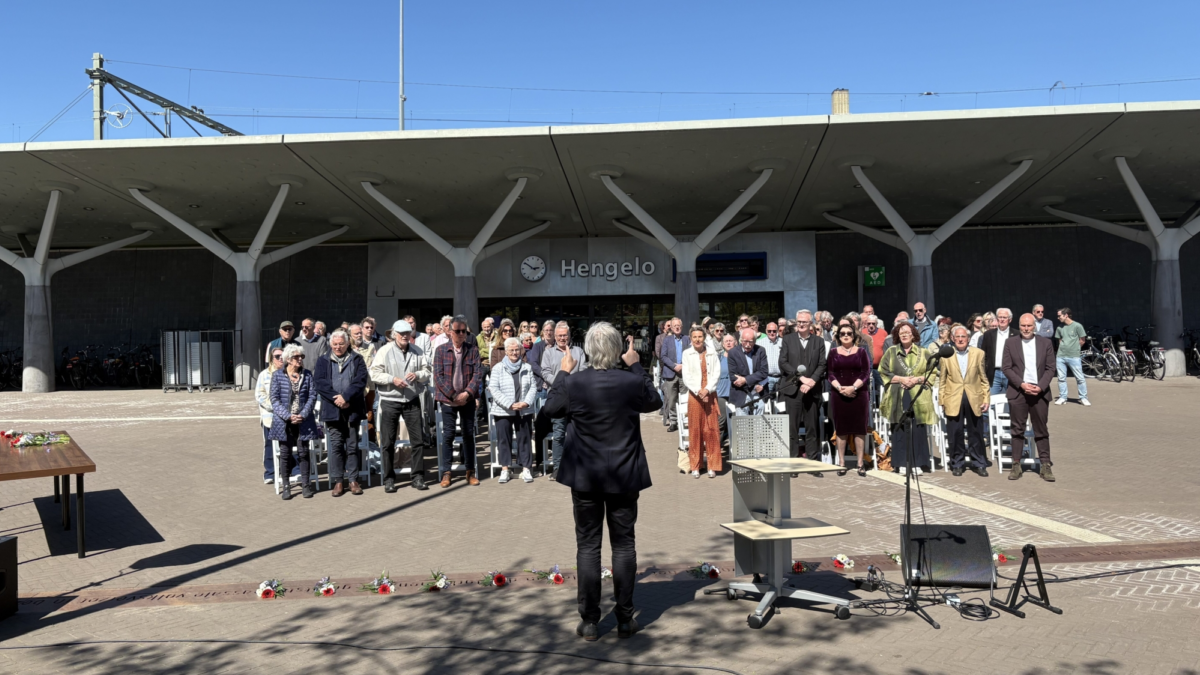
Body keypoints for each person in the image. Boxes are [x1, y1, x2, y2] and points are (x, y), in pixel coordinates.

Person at [543, 322, 659, 642]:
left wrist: (564, 373)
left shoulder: (575, 382)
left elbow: (550, 408)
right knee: (624, 545)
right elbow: (654, 400)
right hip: (624, 475)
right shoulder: (630, 381)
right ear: (618, 349)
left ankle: (591, 621)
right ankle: (624, 618)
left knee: (588, 546)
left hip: (586, 476)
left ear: (589, 350)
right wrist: (635, 365)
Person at [370, 320, 432, 492]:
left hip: (411, 399)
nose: (405, 336)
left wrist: (418, 374)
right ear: (394, 334)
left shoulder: (418, 351)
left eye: (408, 333)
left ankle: (418, 477)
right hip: (390, 400)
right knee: (388, 441)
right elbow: (374, 373)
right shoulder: (384, 351)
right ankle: (389, 478)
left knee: (418, 440)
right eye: (402, 333)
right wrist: (392, 379)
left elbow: (427, 371)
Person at [313, 330, 368, 497]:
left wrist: (346, 397)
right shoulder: (323, 360)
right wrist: (336, 398)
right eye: (335, 344)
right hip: (332, 409)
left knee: (352, 446)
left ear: (347, 344)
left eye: (341, 344)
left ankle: (353, 480)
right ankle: (337, 481)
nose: (338, 347)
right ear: (331, 344)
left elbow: (360, 380)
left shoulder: (357, 359)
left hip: (352, 408)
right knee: (336, 446)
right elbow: (320, 382)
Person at [1003, 313, 1057, 482]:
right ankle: (1016, 465)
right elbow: (1006, 368)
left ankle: (1045, 465)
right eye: (1023, 326)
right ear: (1019, 326)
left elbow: (1050, 368)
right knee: (1017, 430)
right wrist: (1022, 384)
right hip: (1019, 392)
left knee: (1041, 430)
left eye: (1029, 326)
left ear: (1035, 327)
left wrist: (1040, 386)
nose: (1026, 329)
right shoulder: (1010, 343)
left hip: (1039, 393)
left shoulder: (1045, 343)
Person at [432, 315, 483, 488]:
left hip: (467, 400)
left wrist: (467, 393)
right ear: (450, 332)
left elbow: (477, 374)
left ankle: (470, 471)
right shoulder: (440, 350)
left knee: (469, 435)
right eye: (458, 331)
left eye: (464, 331)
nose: (461, 334)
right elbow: (438, 377)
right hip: (448, 401)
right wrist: (454, 395)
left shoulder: (473, 350)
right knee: (448, 435)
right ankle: (446, 472)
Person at [879, 321, 937, 475]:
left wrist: (916, 380)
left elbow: (932, 372)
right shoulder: (891, 352)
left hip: (918, 395)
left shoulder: (924, 352)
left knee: (917, 428)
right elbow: (883, 372)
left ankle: (917, 462)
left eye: (907, 331)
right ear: (897, 335)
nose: (904, 334)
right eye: (901, 332)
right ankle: (902, 463)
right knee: (899, 427)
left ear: (913, 335)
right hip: (897, 394)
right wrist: (901, 379)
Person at [939, 324, 990, 477]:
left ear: (968, 339)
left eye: (963, 337)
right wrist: (942, 400)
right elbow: (942, 380)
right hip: (953, 398)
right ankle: (957, 463)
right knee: (956, 433)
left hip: (974, 397)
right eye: (958, 337)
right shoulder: (946, 354)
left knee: (976, 432)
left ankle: (979, 463)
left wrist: (986, 398)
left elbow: (983, 378)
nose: (961, 339)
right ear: (953, 339)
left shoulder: (978, 353)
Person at [269, 344, 319, 500]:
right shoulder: (278, 375)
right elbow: (274, 399)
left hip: (303, 421)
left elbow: (312, 396)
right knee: (285, 454)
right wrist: (288, 416)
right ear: (288, 359)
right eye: (297, 357)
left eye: (301, 357)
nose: (300, 360)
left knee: (304, 452)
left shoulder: (308, 375)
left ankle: (306, 485)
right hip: (285, 422)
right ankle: (286, 487)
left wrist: (302, 415)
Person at [779, 310, 828, 466]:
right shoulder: (787, 340)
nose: (800, 324)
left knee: (812, 428)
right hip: (792, 390)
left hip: (812, 390)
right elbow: (783, 363)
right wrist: (801, 378)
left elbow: (822, 364)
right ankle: (792, 462)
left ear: (810, 324)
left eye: (804, 322)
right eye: (798, 321)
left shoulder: (818, 342)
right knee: (792, 429)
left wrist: (812, 381)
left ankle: (812, 463)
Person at [541, 321, 588, 479]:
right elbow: (545, 373)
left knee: (577, 433)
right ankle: (558, 467)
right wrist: (561, 381)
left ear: (569, 336)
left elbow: (583, 370)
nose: (562, 338)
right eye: (559, 335)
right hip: (558, 399)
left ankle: (578, 466)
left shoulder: (579, 351)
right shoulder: (548, 353)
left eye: (565, 335)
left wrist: (572, 383)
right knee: (559, 434)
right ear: (554, 336)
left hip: (576, 398)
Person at [489, 336, 538, 484]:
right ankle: (505, 469)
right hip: (503, 410)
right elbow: (493, 388)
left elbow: (533, 387)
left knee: (524, 438)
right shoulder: (498, 368)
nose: (515, 352)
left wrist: (526, 402)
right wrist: (509, 404)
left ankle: (526, 469)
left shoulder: (527, 367)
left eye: (517, 349)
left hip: (523, 409)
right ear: (506, 351)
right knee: (504, 439)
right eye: (511, 350)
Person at [828, 320, 871, 476]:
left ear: (854, 336)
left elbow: (866, 373)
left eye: (849, 333)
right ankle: (841, 463)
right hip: (838, 394)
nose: (846, 336)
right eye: (842, 334)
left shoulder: (861, 352)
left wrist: (853, 388)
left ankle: (860, 463)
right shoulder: (833, 352)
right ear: (839, 336)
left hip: (859, 393)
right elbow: (830, 373)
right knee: (841, 429)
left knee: (860, 429)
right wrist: (841, 389)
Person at [682, 326, 721, 478]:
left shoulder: (712, 353)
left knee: (711, 430)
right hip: (694, 395)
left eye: (700, 337)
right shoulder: (687, 353)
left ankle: (712, 465)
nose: (697, 340)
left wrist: (707, 390)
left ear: (704, 337)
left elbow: (716, 373)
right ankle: (696, 466)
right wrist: (699, 391)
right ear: (691, 339)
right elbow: (686, 376)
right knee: (696, 430)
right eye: (694, 337)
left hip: (710, 393)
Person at [256, 346, 291, 485]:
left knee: (289, 443)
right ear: (271, 359)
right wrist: (276, 407)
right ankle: (270, 472)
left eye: (283, 356)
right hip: (270, 417)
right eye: (277, 356)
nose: (280, 359)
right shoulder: (264, 375)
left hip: (288, 416)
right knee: (270, 445)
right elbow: (260, 395)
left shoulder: (290, 373)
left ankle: (291, 470)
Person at [726, 328, 768, 414]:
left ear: (755, 341)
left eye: (751, 342)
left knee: (759, 419)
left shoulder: (760, 351)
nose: (747, 345)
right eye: (744, 341)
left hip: (757, 391)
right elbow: (733, 377)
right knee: (742, 423)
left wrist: (745, 380)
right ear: (740, 340)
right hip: (741, 391)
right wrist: (751, 383)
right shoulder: (733, 353)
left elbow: (763, 372)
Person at [1054, 307, 1089, 406]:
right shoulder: (1059, 327)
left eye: (1059, 315)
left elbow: (1082, 340)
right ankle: (1062, 397)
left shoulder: (1077, 326)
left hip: (1074, 356)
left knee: (1080, 378)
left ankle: (1083, 398)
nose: (1058, 317)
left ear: (1066, 315)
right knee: (1061, 378)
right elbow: (1060, 340)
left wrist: (1075, 349)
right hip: (1061, 356)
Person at [658, 317, 686, 432]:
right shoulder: (667, 340)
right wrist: (674, 366)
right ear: (672, 328)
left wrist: (683, 365)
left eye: (679, 325)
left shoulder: (687, 339)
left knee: (685, 399)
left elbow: (691, 354)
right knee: (672, 399)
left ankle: (684, 421)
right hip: (671, 373)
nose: (677, 327)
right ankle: (673, 421)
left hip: (684, 373)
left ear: (682, 327)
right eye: (675, 326)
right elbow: (663, 356)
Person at [716, 333, 734, 447]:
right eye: (726, 341)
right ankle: (716, 448)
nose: (728, 342)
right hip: (721, 393)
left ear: (735, 342)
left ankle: (736, 447)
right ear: (722, 344)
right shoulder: (718, 358)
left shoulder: (740, 357)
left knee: (735, 421)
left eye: (730, 340)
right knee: (720, 421)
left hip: (735, 393)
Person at [756, 322, 784, 396]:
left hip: (781, 378)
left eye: (774, 331)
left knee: (781, 403)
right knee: (767, 402)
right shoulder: (759, 343)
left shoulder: (783, 342)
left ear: (777, 331)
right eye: (769, 331)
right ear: (766, 331)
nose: (772, 333)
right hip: (767, 378)